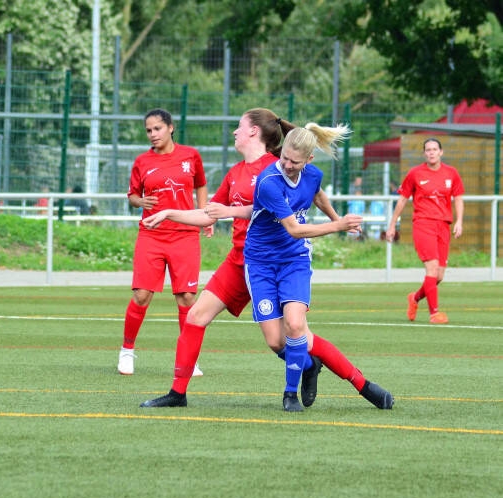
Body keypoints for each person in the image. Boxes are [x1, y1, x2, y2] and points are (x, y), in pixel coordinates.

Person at [139, 109, 393, 412]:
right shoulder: (237, 172)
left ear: (253, 132)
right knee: (196, 317)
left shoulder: (279, 167)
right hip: (244, 260)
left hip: (278, 259)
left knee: (295, 335)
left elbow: (308, 196)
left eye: (239, 126)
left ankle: (354, 381)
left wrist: (337, 221)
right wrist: (170, 213)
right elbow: (210, 213)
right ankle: (177, 393)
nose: (234, 132)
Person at [243, 122, 395, 412]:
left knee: (295, 325)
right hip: (261, 263)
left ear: (309, 160)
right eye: (284, 158)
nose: (287, 165)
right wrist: (338, 225)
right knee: (276, 341)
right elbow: (294, 229)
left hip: (294, 260)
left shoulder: (312, 175)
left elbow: (316, 194)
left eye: (294, 161)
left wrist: (337, 218)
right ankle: (309, 365)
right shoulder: (268, 182)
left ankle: (292, 395)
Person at [118, 108, 210, 376]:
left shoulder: (190, 155)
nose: (152, 134)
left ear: (170, 127)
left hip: (185, 235)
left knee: (187, 297)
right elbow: (132, 196)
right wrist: (140, 201)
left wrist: (205, 215)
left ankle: (188, 359)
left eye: (157, 128)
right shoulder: (142, 161)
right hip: (152, 235)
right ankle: (127, 351)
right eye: (148, 130)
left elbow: (200, 185)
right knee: (142, 294)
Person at [385, 138, 464, 324]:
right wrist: (392, 225)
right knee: (432, 268)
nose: (431, 152)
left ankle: (414, 298)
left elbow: (459, 197)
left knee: (439, 276)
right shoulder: (415, 173)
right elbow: (402, 199)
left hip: (443, 226)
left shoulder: (451, 173)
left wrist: (459, 221)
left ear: (441, 152)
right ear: (424, 154)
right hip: (423, 224)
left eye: (434, 149)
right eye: (428, 150)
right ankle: (434, 314)